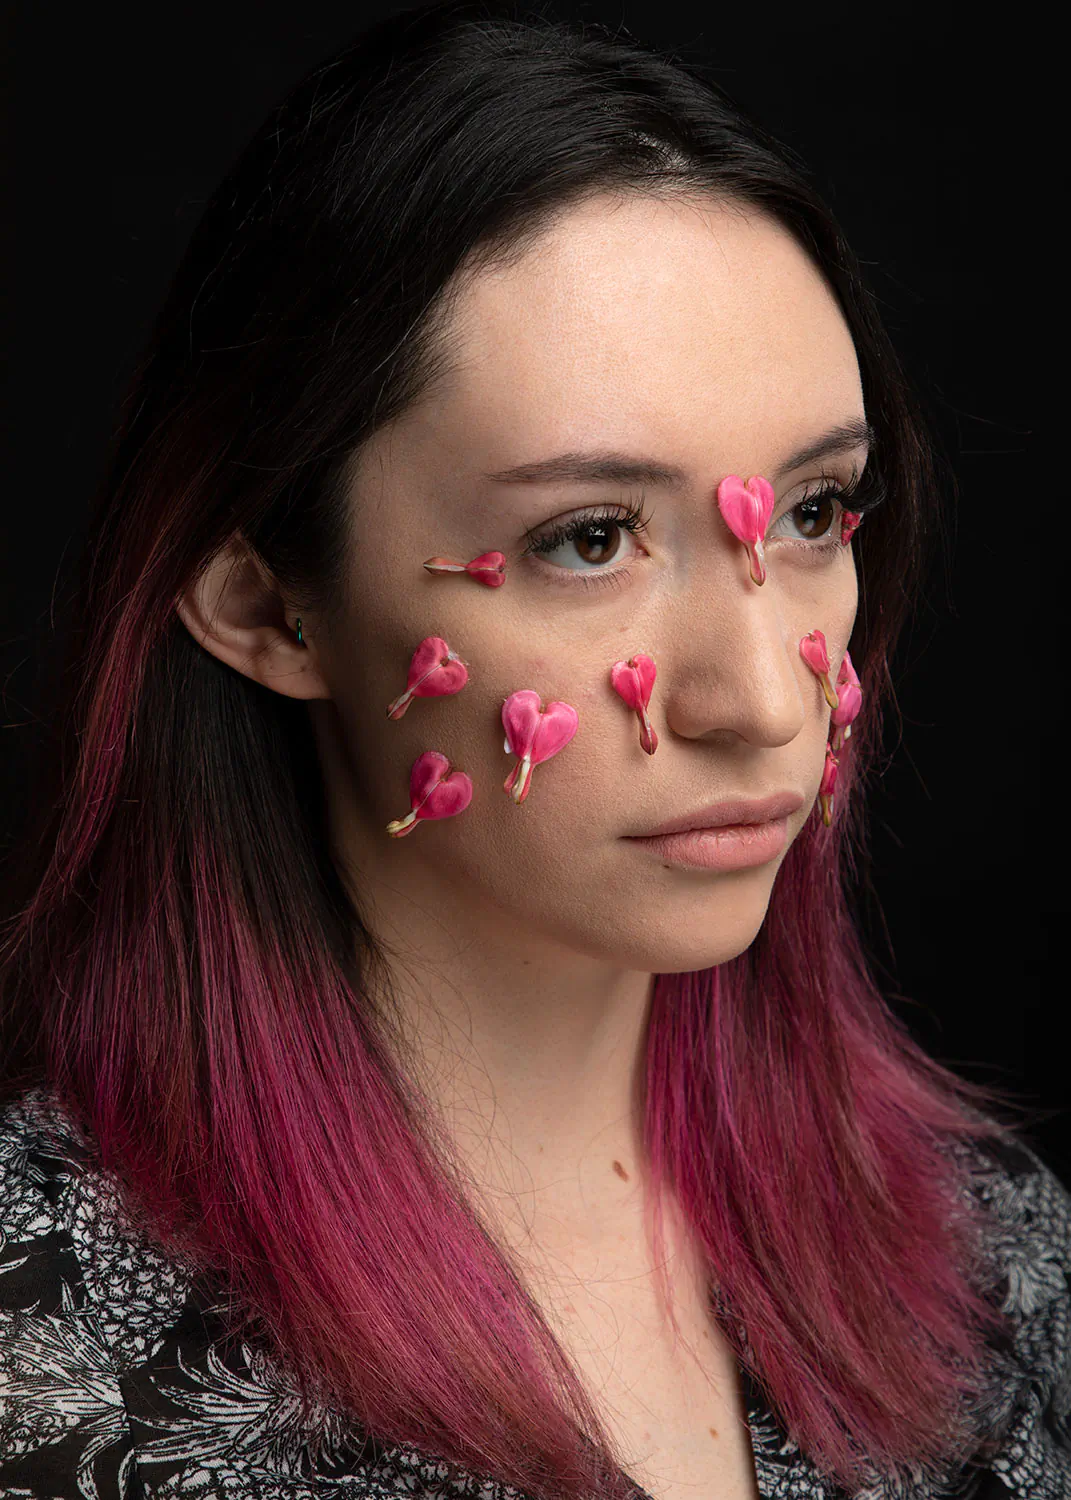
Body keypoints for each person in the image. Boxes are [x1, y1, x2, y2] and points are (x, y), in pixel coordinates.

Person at [1, 3, 1067, 1498]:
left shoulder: (991, 1257)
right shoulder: (33, 1344)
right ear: (267, 606)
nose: (760, 700)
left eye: (816, 513)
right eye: (587, 539)